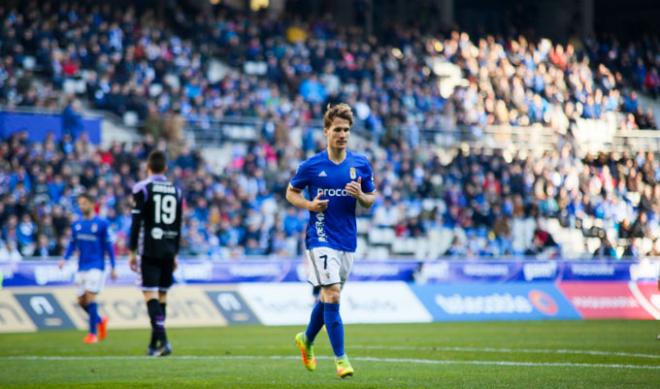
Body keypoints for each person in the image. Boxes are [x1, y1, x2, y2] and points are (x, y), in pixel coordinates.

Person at [286, 103, 377, 378]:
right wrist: (309, 206)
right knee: (333, 293)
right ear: (326, 132)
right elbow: (290, 193)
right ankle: (341, 359)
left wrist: (361, 196)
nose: (343, 134)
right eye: (337, 129)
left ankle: (307, 339)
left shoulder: (360, 164)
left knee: (329, 299)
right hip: (320, 237)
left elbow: (372, 199)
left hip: (347, 240)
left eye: (346, 130)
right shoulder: (312, 166)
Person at [128, 150, 183, 357]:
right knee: (162, 297)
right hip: (169, 249)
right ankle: (153, 346)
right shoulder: (176, 190)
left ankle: (165, 342)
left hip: (149, 249)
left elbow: (136, 223)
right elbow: (178, 224)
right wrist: (176, 252)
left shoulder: (142, 188)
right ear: (165, 168)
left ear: (147, 167)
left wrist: (132, 251)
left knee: (150, 295)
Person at [58, 193, 117, 344]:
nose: (81, 206)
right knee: (81, 301)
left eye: (84, 203)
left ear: (92, 204)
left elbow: (108, 247)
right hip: (81, 266)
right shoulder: (77, 224)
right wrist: (65, 259)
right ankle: (100, 320)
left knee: (90, 297)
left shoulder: (102, 223)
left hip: (96, 266)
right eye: (80, 203)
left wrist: (113, 267)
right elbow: (72, 244)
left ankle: (92, 334)